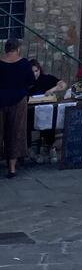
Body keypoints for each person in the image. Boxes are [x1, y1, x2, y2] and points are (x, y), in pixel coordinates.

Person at [1, 39, 35, 178]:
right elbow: (31, 82)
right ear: (18, 49)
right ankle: (12, 168)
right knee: (16, 132)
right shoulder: (24, 64)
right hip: (18, 100)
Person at [26, 57, 63, 162]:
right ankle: (29, 150)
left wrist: (52, 89)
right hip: (31, 112)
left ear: (39, 70)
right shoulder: (26, 82)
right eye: (32, 72)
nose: (35, 74)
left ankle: (50, 146)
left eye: (36, 71)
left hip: (45, 112)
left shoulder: (46, 78)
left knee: (49, 118)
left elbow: (62, 84)